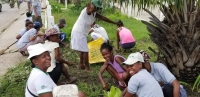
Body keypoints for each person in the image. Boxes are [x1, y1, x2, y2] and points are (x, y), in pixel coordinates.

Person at [70, 0, 118, 71]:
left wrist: (114, 22)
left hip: (83, 32)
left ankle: (81, 64)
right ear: (91, 5)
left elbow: (104, 18)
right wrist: (90, 7)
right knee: (85, 50)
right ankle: (87, 67)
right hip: (78, 31)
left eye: (97, 8)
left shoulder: (94, 13)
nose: (96, 9)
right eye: (95, 7)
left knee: (82, 49)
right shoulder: (87, 11)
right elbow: (89, 9)